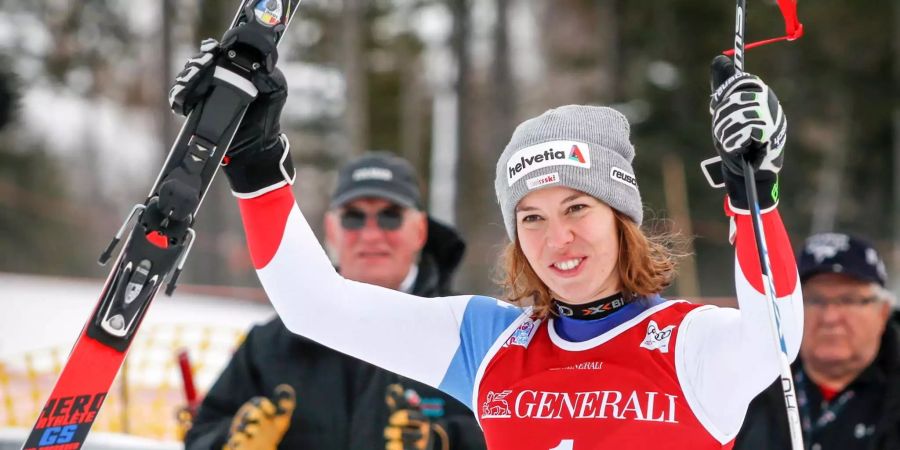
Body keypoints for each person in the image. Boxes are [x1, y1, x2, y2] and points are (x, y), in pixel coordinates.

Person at [171, 37, 803, 448]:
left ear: (620, 218)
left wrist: (753, 197)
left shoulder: (691, 343)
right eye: (530, 218)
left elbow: (775, 337)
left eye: (578, 207)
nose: (558, 238)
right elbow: (314, 307)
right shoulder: (488, 340)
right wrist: (254, 161)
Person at [182, 152, 487, 450]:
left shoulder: (466, 336)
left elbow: (519, 435)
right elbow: (201, 435)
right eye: (353, 217)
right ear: (331, 230)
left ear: (420, 230)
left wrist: (442, 442)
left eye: (390, 216)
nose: (370, 234)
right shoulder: (272, 343)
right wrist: (230, 442)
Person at [735, 233, 900, 450]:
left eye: (848, 300)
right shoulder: (746, 383)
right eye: (814, 300)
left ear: (882, 312)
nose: (830, 317)